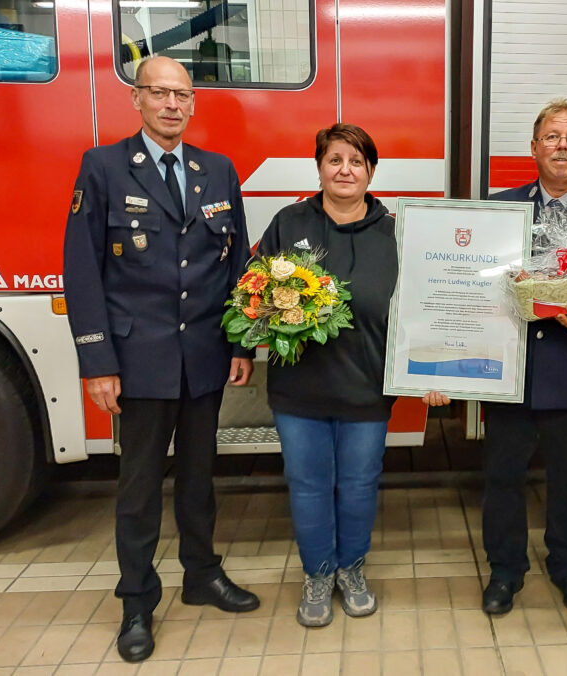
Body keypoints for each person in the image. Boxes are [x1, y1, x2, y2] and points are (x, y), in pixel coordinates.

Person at [62, 56, 260, 663]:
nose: (172, 104)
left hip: (202, 357)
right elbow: (82, 269)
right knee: (140, 489)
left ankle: (201, 575)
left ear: (193, 103)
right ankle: (136, 601)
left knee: (200, 481)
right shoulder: (102, 167)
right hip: (138, 358)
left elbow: (236, 267)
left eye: (182, 94)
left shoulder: (217, 171)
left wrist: (240, 342)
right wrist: (97, 362)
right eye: (159, 93)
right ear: (137, 100)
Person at [425, 98, 567, 616]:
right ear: (534, 147)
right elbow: (466, 288)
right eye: (552, 136)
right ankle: (505, 569)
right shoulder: (499, 208)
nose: (562, 145)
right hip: (509, 374)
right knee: (501, 478)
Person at [256, 124, 397, 628]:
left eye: (356, 162)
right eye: (335, 160)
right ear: (318, 167)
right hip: (300, 391)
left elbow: (425, 309)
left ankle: (352, 571)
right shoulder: (287, 222)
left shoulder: (395, 231)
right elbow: (253, 294)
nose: (345, 170)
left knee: (359, 485)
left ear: (371, 172)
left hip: (369, 387)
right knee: (309, 485)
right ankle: (318, 574)